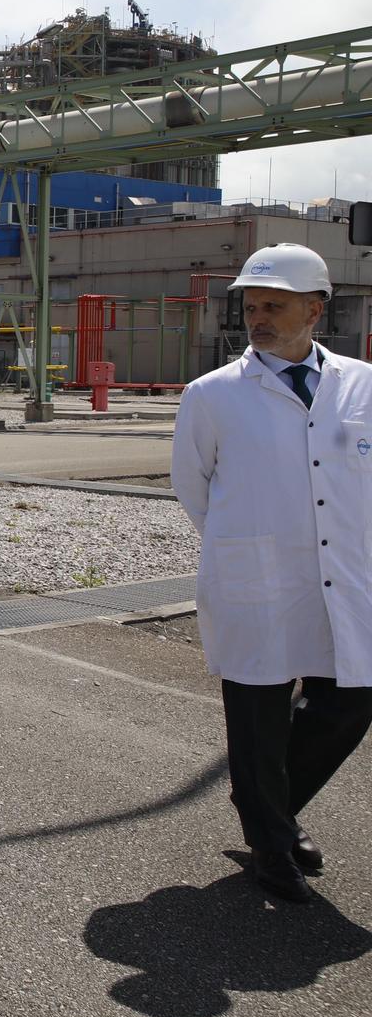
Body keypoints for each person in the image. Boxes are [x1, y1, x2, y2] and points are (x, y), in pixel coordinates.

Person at [172, 242, 372, 904]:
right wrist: (248, 544)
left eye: (274, 305)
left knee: (349, 701)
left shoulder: (361, 385)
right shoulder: (213, 395)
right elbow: (193, 486)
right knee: (257, 719)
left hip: (344, 576)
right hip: (255, 578)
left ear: (316, 308)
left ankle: (272, 811)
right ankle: (271, 839)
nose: (258, 316)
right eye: (252, 305)